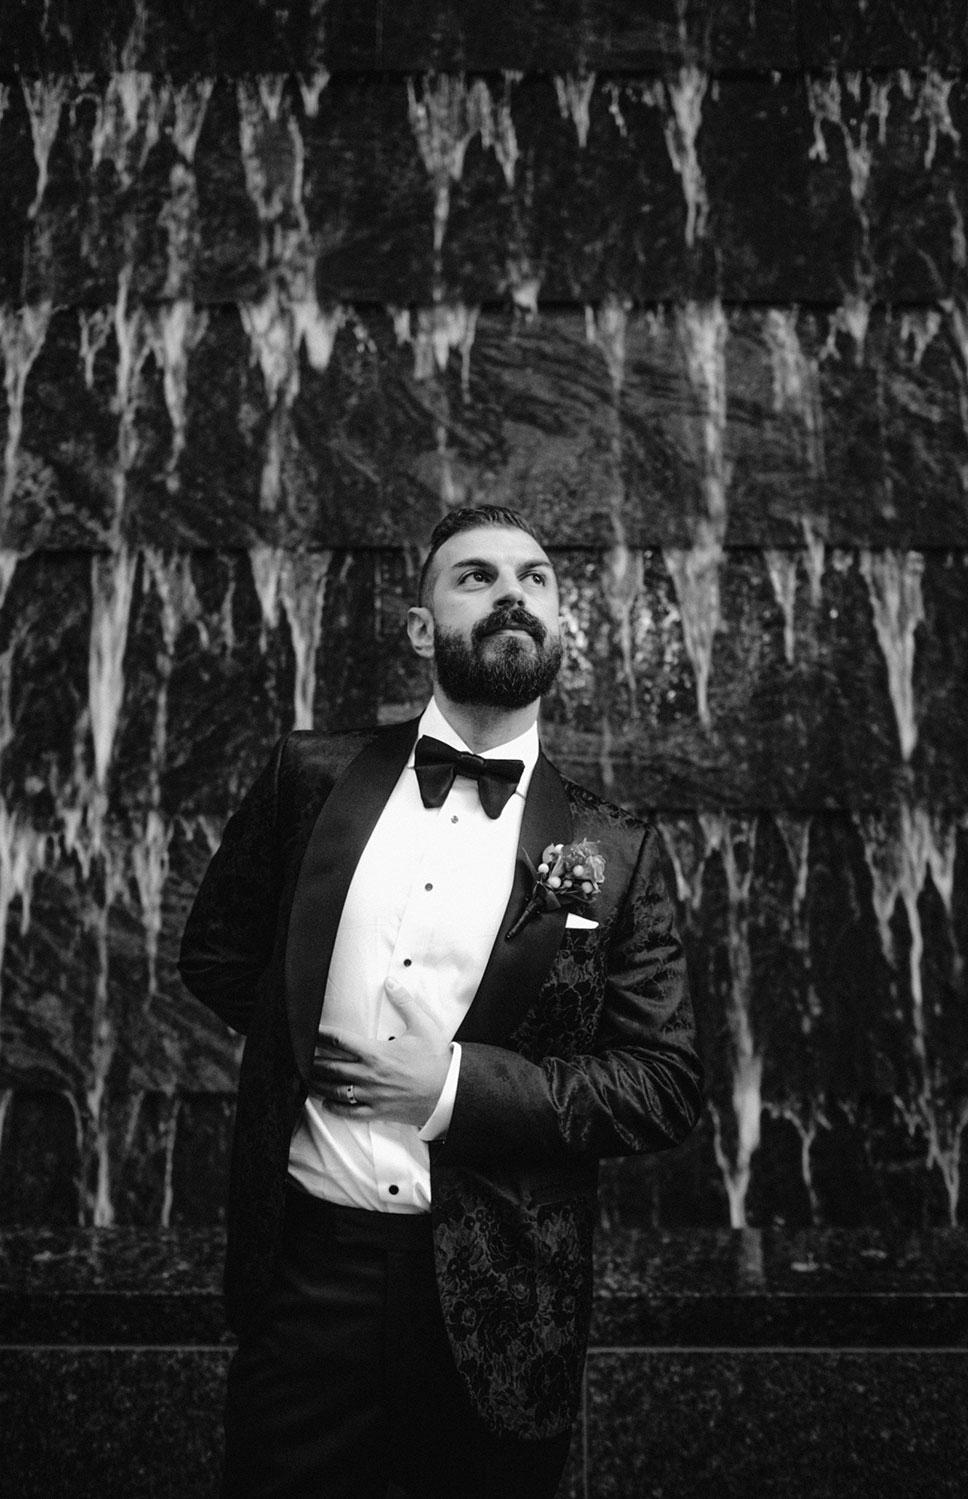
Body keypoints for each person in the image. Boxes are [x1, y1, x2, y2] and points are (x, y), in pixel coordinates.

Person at [179, 504, 703, 1499]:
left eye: (535, 577)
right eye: (475, 576)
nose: (512, 591)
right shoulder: (309, 776)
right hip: (308, 1280)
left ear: (559, 624)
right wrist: (303, 1043)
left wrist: (451, 1086)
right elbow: (214, 953)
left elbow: (662, 1080)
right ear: (422, 627)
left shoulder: (608, 846)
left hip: (506, 1300)